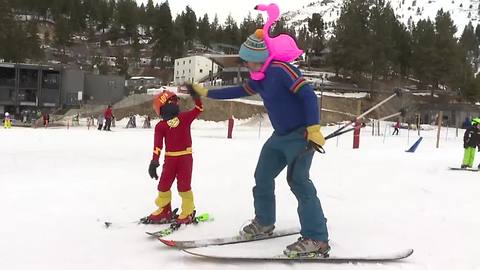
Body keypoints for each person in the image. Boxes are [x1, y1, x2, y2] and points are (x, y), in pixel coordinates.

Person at [189, 29, 329, 257]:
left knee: (298, 181)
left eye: (251, 62)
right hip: (280, 136)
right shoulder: (260, 78)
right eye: (247, 62)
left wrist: (313, 129)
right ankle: (264, 222)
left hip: (301, 136)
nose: (248, 66)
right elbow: (237, 90)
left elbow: (309, 96)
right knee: (262, 176)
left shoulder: (282, 70)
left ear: (263, 58)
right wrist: (205, 92)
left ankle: (317, 238)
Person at [142, 90, 203, 225]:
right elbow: (157, 146)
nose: (175, 105)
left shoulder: (184, 118)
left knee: (184, 187)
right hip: (170, 160)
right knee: (163, 185)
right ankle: (165, 210)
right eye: (173, 102)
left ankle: (187, 211)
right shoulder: (160, 126)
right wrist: (154, 161)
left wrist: (196, 96)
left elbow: (199, 108)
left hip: (185, 159)